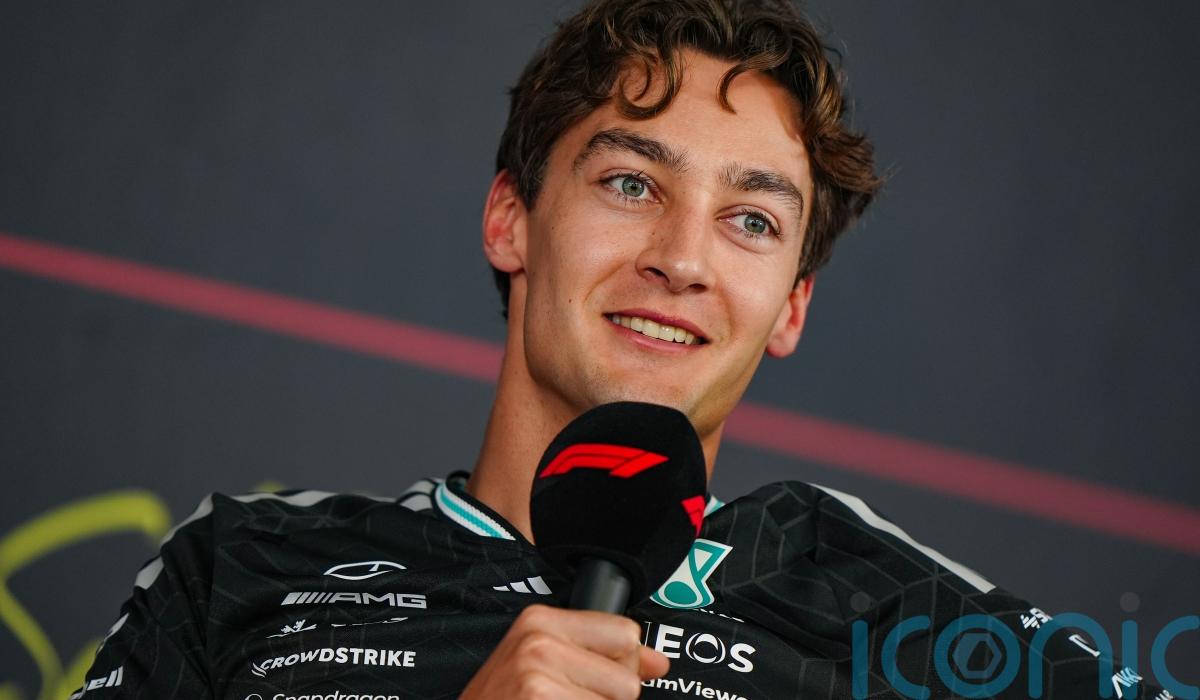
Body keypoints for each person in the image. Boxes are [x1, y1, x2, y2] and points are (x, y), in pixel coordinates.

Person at [74, 1, 1166, 698]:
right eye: (632, 184)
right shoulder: (244, 565)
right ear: (511, 219)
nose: (681, 259)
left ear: (791, 306)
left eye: (751, 220)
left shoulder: (881, 607)